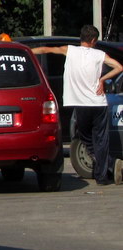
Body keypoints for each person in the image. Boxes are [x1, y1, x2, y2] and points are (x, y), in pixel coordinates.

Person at [32, 25, 123, 186]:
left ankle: (107, 166)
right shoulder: (99, 54)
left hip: (80, 103)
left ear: (81, 37)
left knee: (84, 137)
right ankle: (104, 175)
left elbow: (46, 49)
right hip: (98, 103)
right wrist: (102, 79)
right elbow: (119, 67)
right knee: (101, 140)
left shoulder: (70, 51)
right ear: (94, 40)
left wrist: (26, 51)